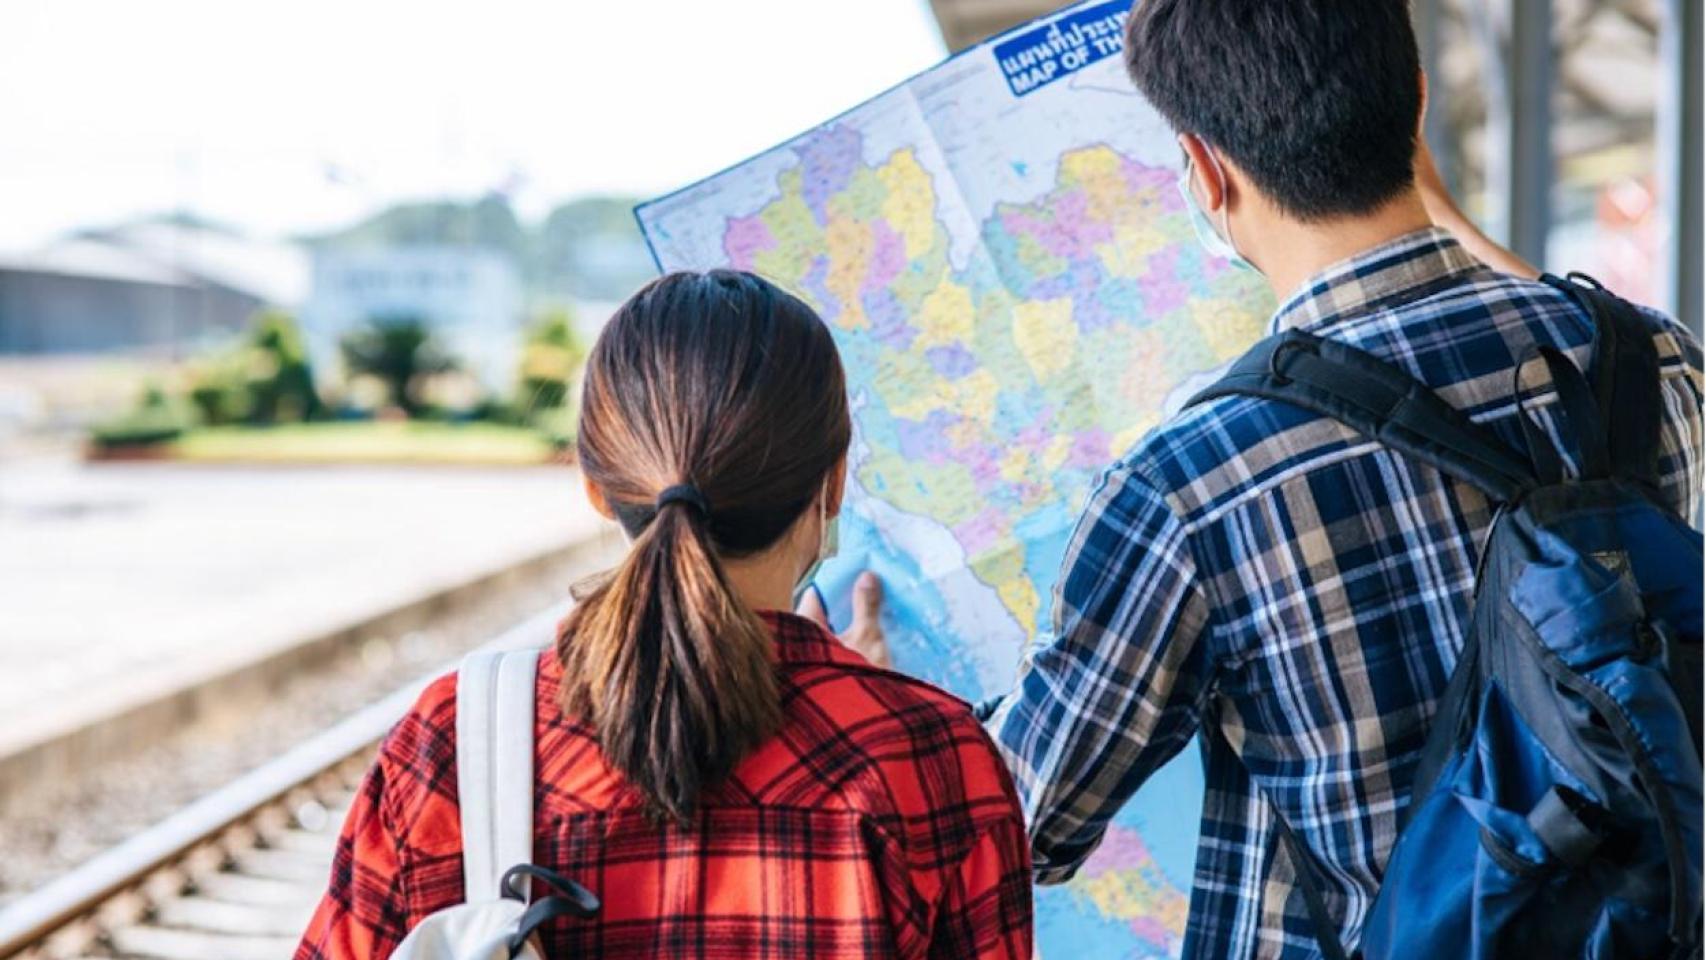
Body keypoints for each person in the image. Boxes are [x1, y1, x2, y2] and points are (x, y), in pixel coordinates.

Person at [857, 2, 1703, 958]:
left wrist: (890, 710)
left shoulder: (1187, 485)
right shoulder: (1656, 364)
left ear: (1206, 172)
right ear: (1415, 101)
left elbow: (1012, 828)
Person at [295, 270, 1034, 959]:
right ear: (833, 485)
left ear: (594, 485)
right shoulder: (936, 759)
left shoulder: (455, 739)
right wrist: (873, 714)